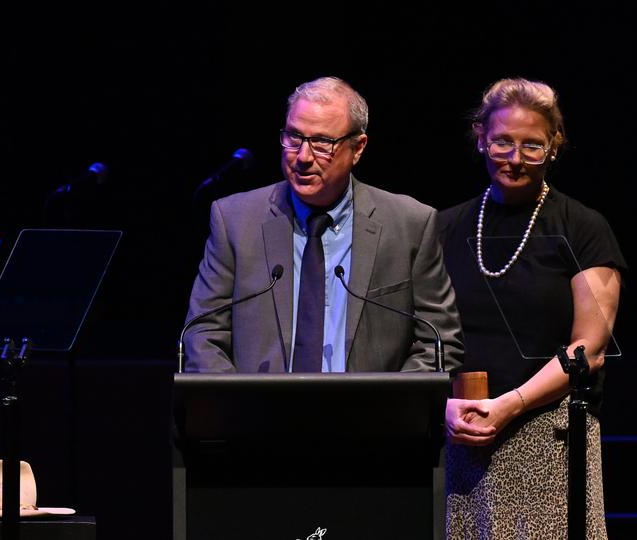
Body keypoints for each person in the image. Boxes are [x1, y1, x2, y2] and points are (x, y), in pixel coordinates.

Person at [438, 78, 627, 538]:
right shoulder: (444, 226)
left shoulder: (582, 227)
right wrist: (440, 406)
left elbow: (590, 348)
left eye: (532, 145)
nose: (515, 158)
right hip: (459, 434)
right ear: (481, 137)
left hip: (549, 436)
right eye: (502, 141)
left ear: (554, 146)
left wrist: (510, 405)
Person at [183, 76, 464, 373]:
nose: (303, 157)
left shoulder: (410, 225)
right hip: (257, 415)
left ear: (358, 148)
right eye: (294, 137)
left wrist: (388, 405)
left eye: (321, 142)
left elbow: (440, 342)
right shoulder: (235, 221)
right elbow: (203, 334)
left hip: (371, 416)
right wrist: (242, 409)